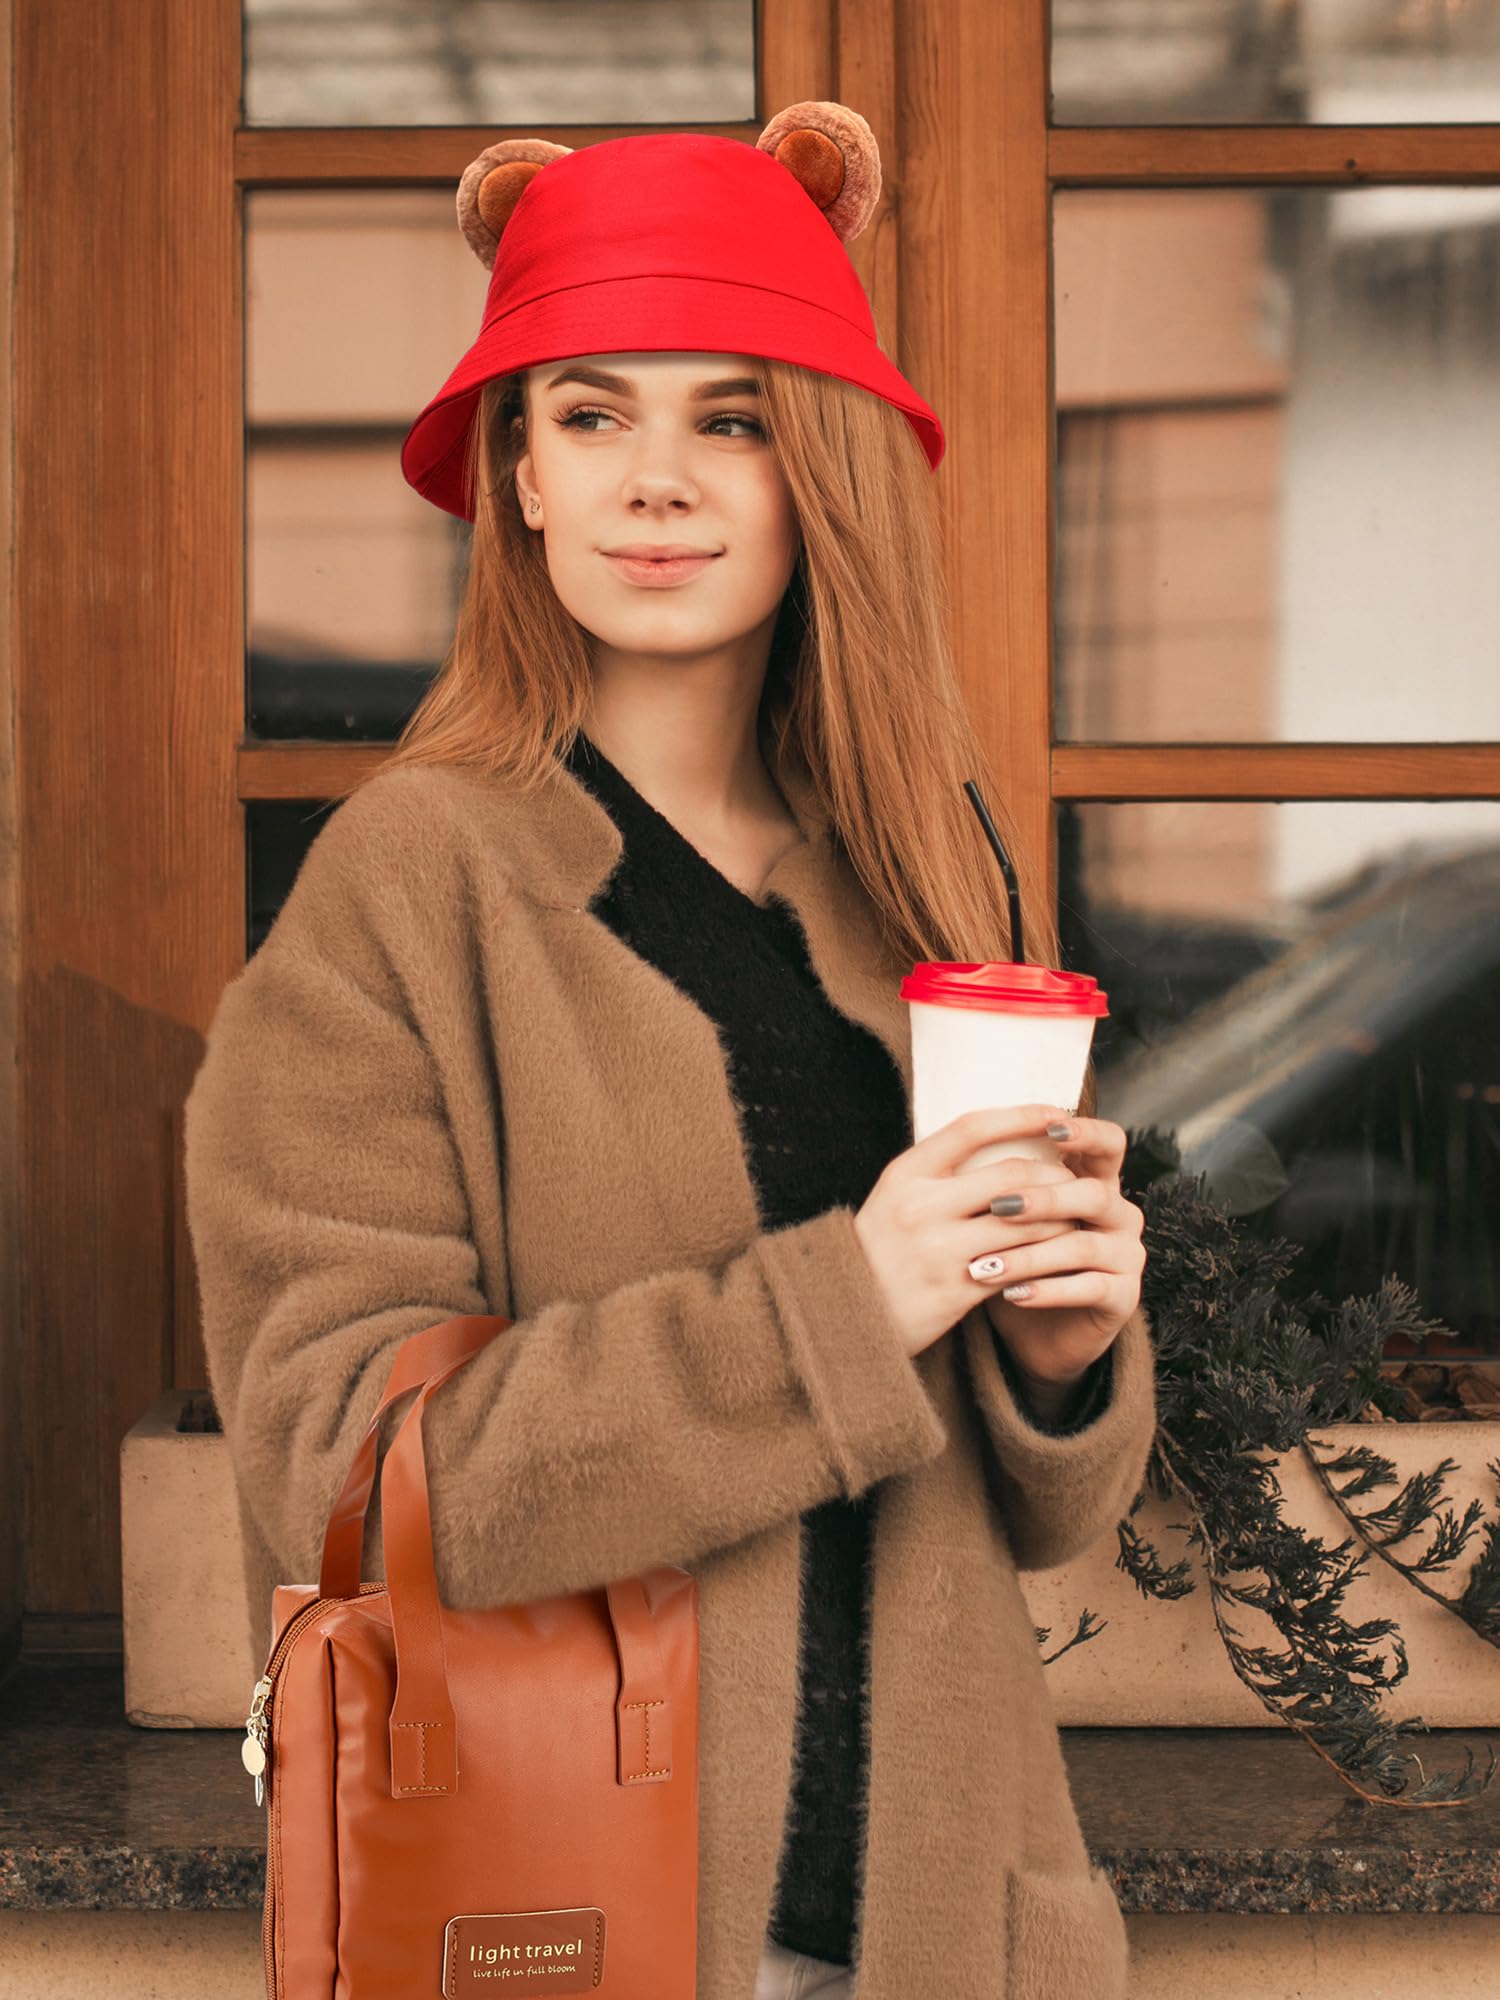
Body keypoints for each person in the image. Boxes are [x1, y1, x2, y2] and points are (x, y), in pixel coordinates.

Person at [183, 102, 1155, 2000]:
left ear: (821, 474)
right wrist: (846, 1303)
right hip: (589, 1918)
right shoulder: (408, 886)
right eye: (591, 412)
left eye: (733, 416)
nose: (659, 481)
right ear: (519, 476)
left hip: (957, 1919)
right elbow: (340, 1475)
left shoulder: (931, 868)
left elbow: (1040, 1525)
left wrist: (1060, 1354)